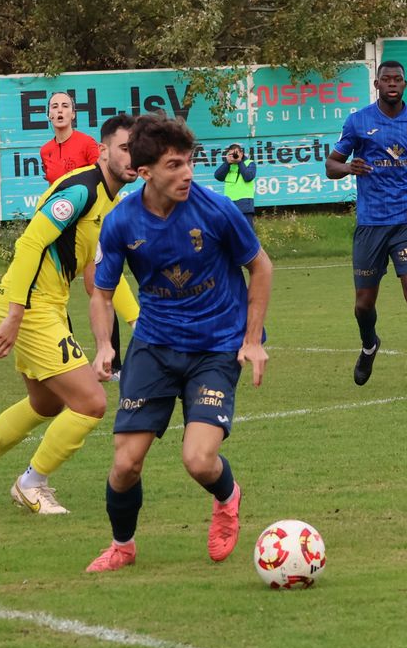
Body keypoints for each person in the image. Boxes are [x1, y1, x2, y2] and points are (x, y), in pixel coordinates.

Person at [83, 114, 272, 573]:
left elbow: (261, 267)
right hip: (155, 344)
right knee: (125, 463)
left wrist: (252, 340)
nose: (186, 173)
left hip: (215, 346)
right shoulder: (122, 221)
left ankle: (227, 497)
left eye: (188, 162)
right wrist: (105, 344)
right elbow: (101, 294)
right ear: (145, 172)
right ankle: (122, 546)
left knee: (198, 460)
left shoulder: (216, 209)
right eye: (173, 165)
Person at [0, 115, 142, 515]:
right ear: (102, 151)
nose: (133, 156)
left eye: (138, 149)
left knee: (45, 404)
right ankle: (31, 484)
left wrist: (138, 319)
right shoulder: (82, 189)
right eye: (124, 148)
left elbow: (98, 278)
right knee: (91, 403)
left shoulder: (112, 203)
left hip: (47, 304)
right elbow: (31, 242)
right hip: (30, 305)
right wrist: (16, 313)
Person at [325, 61, 407, 398]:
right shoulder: (358, 121)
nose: (392, 84)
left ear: (405, 84)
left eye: (398, 79)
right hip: (371, 224)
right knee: (364, 304)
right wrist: (348, 167)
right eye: (386, 79)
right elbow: (331, 164)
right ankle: (369, 345)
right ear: (376, 84)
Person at [39, 90, 102, 183]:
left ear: (73, 114)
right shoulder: (45, 150)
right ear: (49, 115)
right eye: (55, 107)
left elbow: (102, 180)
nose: (60, 110)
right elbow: (52, 187)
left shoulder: (87, 143)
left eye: (65, 106)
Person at [213, 143, 258, 216]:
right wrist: (227, 163)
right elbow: (218, 176)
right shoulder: (228, 165)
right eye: (231, 154)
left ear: (241, 153)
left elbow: (248, 177)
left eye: (236, 153)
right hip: (229, 203)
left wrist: (239, 162)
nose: (234, 156)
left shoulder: (249, 163)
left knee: (245, 227)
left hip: (245, 203)